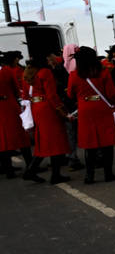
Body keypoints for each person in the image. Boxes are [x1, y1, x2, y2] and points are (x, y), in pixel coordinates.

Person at [66, 47, 115, 184]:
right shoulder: (103, 73)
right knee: (107, 143)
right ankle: (108, 173)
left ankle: (89, 176)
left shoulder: (74, 75)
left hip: (85, 110)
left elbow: (70, 95)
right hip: (102, 108)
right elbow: (111, 94)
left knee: (90, 144)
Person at [22, 54, 71, 184]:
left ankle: (31, 170)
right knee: (55, 141)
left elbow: (25, 96)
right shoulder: (45, 72)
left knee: (43, 141)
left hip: (36, 108)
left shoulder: (27, 74)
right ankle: (55, 175)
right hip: (47, 108)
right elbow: (51, 95)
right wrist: (61, 110)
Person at [0, 51, 33, 178]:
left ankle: (8, 170)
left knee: (3, 139)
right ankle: (30, 165)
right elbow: (15, 89)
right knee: (21, 136)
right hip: (9, 105)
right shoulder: (8, 71)